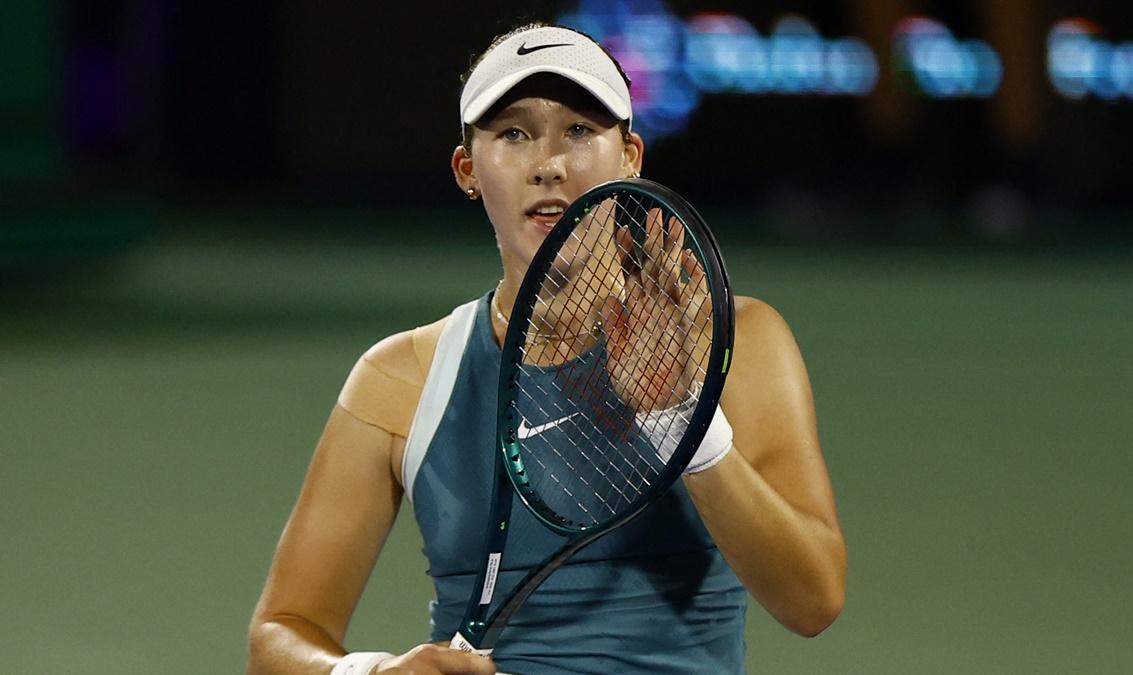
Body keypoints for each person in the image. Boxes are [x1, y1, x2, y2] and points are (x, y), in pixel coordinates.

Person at [247, 23, 845, 675]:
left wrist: (681, 419)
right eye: (513, 133)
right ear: (467, 170)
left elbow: (813, 600)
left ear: (631, 157)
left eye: (580, 131)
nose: (548, 162)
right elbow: (279, 633)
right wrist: (373, 673)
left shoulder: (738, 341)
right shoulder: (400, 382)